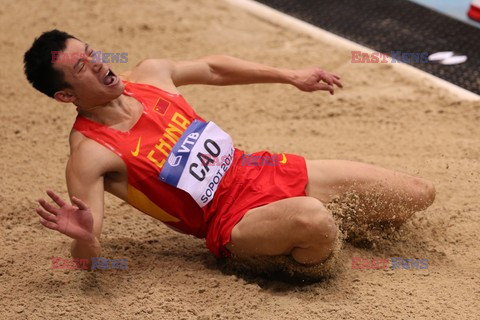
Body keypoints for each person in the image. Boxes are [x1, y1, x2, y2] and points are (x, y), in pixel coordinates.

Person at [24, 30, 435, 269]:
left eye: (92, 54)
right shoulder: (90, 154)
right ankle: (291, 257)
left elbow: (213, 68)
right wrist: (84, 240)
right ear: (64, 96)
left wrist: (290, 75)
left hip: (261, 170)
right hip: (230, 221)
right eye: (81, 67)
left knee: (418, 193)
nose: (97, 64)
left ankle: (306, 230)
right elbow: (86, 256)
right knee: (316, 222)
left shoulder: (151, 76)